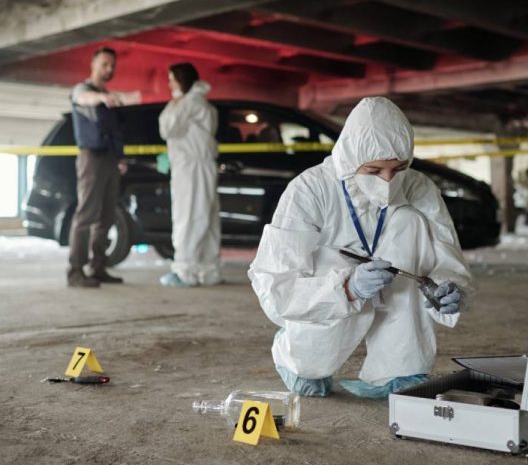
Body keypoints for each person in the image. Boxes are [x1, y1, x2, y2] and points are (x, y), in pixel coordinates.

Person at [248, 97, 472, 398]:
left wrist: (450, 286)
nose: (389, 181)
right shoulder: (310, 189)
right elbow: (275, 281)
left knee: (411, 221)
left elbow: (446, 252)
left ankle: (400, 367)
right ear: (351, 160)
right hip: (329, 287)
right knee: (311, 363)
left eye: (399, 168)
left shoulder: (419, 187)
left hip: (398, 285)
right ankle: (297, 356)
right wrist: (347, 287)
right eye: (374, 171)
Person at [67, 46, 127, 288]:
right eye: (104, 64)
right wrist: (102, 97)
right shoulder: (83, 90)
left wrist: (120, 157)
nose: (109, 69)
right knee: (86, 214)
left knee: (106, 215)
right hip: (91, 158)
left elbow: (113, 131)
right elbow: (82, 99)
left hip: (111, 158)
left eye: (112, 65)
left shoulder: (108, 94)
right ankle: (75, 271)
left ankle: (98, 267)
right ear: (93, 65)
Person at [158, 63, 221, 287]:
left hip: (191, 168)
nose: (169, 84)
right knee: (207, 218)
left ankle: (185, 271)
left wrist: (173, 103)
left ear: (181, 81)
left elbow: (167, 128)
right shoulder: (201, 102)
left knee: (189, 217)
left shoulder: (188, 103)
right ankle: (209, 270)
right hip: (202, 165)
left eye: (172, 79)